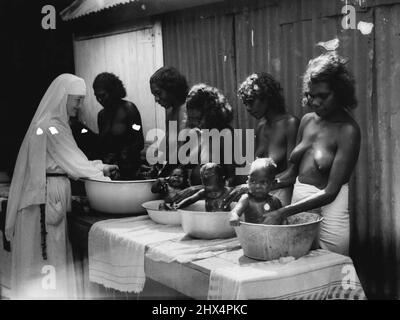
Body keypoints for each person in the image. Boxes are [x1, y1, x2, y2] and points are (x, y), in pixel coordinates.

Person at [5, 74, 118, 299]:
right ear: (63, 97)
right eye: (77, 99)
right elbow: (73, 162)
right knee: (49, 255)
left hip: (44, 196)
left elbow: (70, 159)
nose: (80, 105)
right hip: (46, 199)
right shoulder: (52, 126)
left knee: (39, 256)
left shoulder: (49, 124)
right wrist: (102, 169)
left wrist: (94, 166)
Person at [260, 52, 361, 256]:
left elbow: (331, 191)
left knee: (331, 263)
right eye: (312, 95)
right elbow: (291, 174)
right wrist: (259, 186)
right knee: (299, 260)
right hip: (300, 200)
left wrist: (283, 212)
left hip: (331, 207)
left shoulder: (348, 130)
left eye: (323, 96)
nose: (315, 102)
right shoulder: (306, 120)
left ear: (340, 93)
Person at [226, 73, 299, 206]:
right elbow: (255, 169)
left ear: (267, 98)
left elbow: (293, 173)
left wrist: (255, 186)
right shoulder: (261, 126)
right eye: (245, 103)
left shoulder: (290, 124)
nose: (248, 108)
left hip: (280, 197)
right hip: (257, 196)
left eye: (251, 102)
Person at [94, 72, 144, 180]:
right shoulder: (101, 115)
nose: (99, 100)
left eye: (102, 95)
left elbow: (139, 140)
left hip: (130, 169)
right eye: (97, 96)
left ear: (112, 91)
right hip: (109, 170)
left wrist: (124, 155)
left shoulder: (129, 109)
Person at [149, 66, 189, 169]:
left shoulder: (186, 109)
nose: (156, 99)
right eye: (154, 95)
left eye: (158, 93)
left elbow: (181, 152)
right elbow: (169, 144)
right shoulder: (170, 111)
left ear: (171, 89)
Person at [229, 158, 282, 226]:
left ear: (273, 184)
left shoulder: (275, 200)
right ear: (247, 181)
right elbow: (235, 211)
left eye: (263, 182)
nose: (257, 186)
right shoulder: (247, 199)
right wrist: (234, 217)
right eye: (253, 181)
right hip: (253, 233)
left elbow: (282, 218)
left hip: (272, 234)